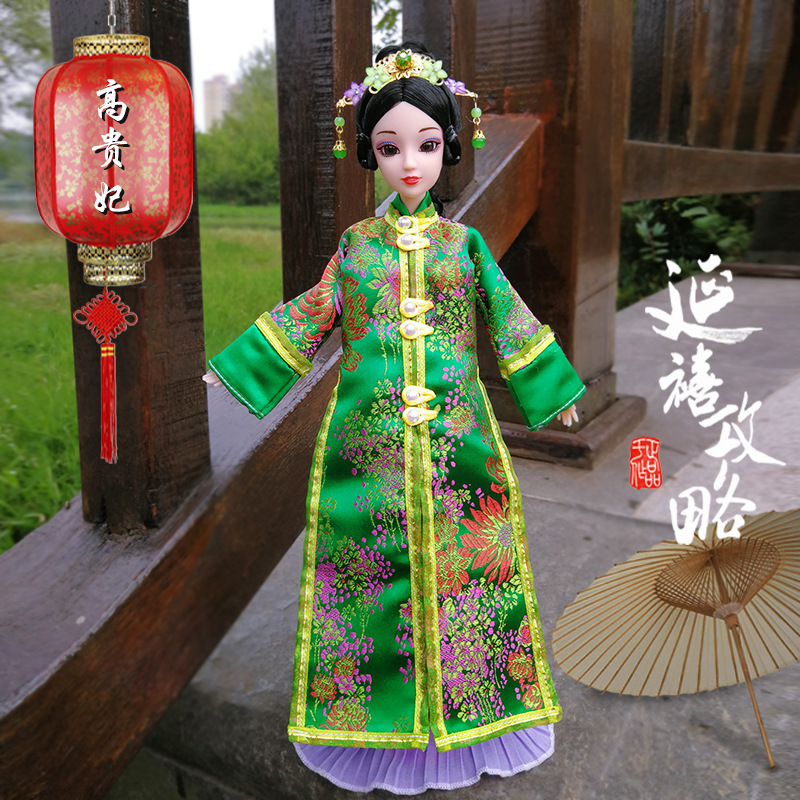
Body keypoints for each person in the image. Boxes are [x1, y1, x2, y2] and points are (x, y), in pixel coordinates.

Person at [205, 42, 584, 794]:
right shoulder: (357, 246)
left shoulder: (464, 245)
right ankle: (372, 717)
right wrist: (240, 366)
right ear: (370, 154)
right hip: (366, 440)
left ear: (450, 148)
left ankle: (476, 712)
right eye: (390, 147)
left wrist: (554, 386)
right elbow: (317, 308)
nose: (409, 162)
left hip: (457, 437)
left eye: (426, 144)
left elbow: (507, 312)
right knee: (364, 573)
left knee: (470, 570)